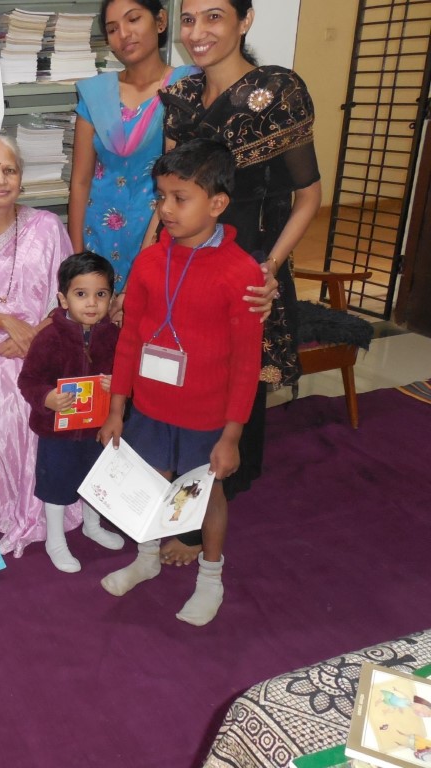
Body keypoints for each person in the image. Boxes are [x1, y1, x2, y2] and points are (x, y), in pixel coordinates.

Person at [157, 0, 321, 563]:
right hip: (184, 269)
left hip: (251, 271)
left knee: (230, 398)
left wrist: (269, 268)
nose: (197, 33)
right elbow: (169, 196)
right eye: (189, 19)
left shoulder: (277, 92)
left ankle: (202, 525)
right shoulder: (178, 98)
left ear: (245, 21)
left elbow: (308, 197)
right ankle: (181, 508)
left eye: (214, 17)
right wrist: (150, 268)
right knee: (178, 388)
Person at [97, 138, 263, 626]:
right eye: (161, 196)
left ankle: (210, 578)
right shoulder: (149, 261)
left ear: (217, 203)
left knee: (208, 497)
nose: (165, 209)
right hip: (149, 406)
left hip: (207, 417)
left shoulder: (240, 274)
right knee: (149, 488)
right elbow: (129, 340)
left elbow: (246, 364)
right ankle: (147, 556)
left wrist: (232, 436)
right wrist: (116, 408)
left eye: (179, 198)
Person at [0, 135, 114, 558]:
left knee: (68, 397)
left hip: (50, 338)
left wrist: (35, 336)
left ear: (21, 177)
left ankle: (75, 509)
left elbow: (72, 299)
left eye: (10, 170)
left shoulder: (46, 226)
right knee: (3, 397)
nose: (1, 180)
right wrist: (3, 322)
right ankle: (11, 508)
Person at [68, 0, 196, 290]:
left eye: (133, 20)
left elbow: (183, 178)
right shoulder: (95, 93)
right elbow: (80, 180)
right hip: (98, 230)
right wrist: (76, 252)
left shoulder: (185, 87)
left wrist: (151, 246)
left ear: (160, 21)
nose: (123, 34)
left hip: (160, 227)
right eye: (113, 29)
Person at [17, 253, 124, 574]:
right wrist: (47, 397)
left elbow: (129, 376)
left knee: (97, 478)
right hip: (58, 433)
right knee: (57, 484)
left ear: (111, 298)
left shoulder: (115, 337)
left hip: (99, 429)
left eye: (100, 294)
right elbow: (29, 381)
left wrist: (117, 383)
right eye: (81, 294)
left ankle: (92, 523)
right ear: (63, 298)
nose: (91, 303)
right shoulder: (50, 337)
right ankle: (54, 538)